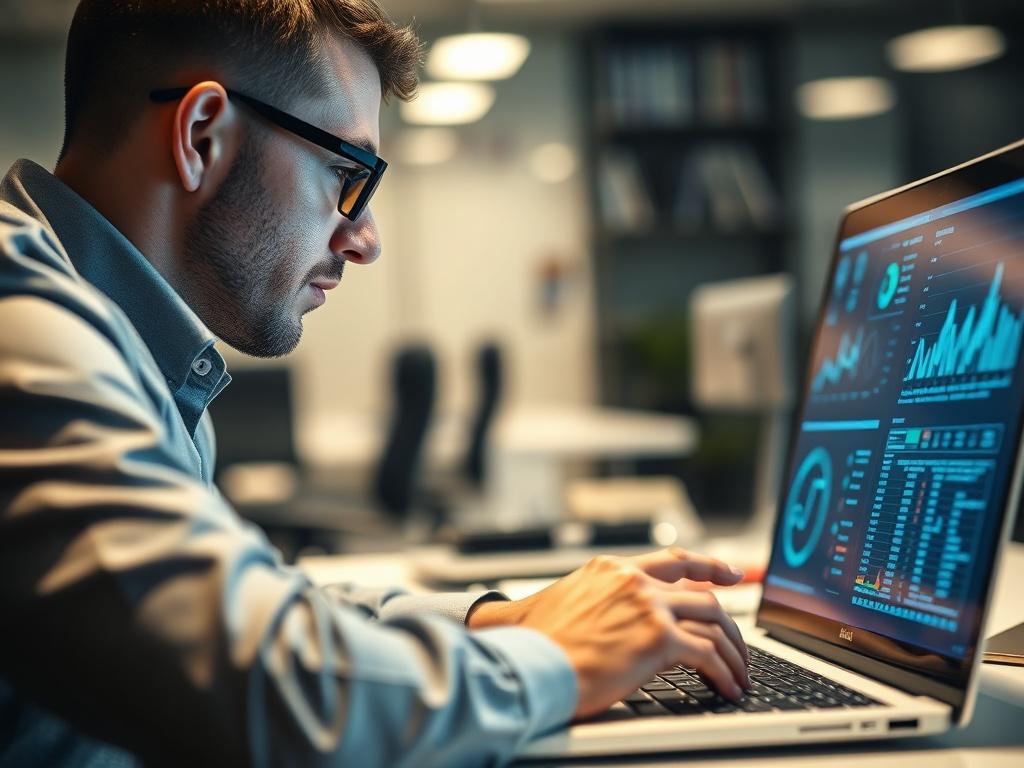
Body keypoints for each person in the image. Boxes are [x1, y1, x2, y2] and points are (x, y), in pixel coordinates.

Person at [0, 1, 750, 765]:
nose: (365, 241)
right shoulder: (20, 325)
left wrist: (495, 621)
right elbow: (268, 687)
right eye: (345, 174)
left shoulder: (132, 343)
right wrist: (558, 662)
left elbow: (241, 607)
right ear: (201, 138)